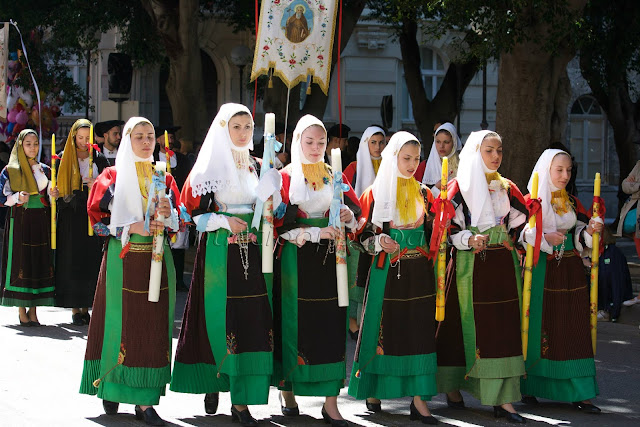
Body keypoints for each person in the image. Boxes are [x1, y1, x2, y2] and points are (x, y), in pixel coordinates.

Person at [170, 104, 277, 426]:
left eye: (249, 127)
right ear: (223, 129)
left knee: (251, 322)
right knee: (219, 318)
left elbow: (274, 211)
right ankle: (214, 379)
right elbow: (190, 215)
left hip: (254, 251)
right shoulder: (208, 169)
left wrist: (273, 201)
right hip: (219, 250)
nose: (244, 133)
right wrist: (223, 221)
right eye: (237, 127)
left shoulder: (259, 166)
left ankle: (241, 400)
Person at [79, 117, 181, 426]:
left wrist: (170, 216)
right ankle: (111, 385)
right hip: (122, 258)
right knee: (120, 323)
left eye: (150, 136)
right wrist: (131, 226)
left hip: (158, 258)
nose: (147, 142)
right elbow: (97, 223)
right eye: (139, 136)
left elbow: (179, 224)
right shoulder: (111, 176)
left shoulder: (165, 177)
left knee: (152, 326)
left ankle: (145, 401)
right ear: (127, 139)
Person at [435, 130, 528, 424]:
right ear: (477, 153)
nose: (496, 156)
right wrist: (468, 238)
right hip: (470, 266)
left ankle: (503, 398)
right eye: (489, 151)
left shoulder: (507, 187)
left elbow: (523, 223)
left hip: (503, 266)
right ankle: (453, 387)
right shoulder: (459, 188)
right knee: (464, 328)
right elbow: (445, 229)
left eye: (499, 150)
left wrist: (519, 239)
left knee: (503, 330)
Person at [274, 115, 361, 426]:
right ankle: (288, 391)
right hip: (296, 260)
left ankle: (331, 401)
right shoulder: (284, 177)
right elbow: (278, 225)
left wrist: (349, 215)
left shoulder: (335, 174)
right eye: (309, 141)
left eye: (321, 142)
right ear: (298, 141)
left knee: (331, 326)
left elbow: (356, 213)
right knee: (295, 324)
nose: (315, 147)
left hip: (332, 260)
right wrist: (313, 233)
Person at [348, 131, 439, 424]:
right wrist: (378, 241)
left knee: (419, 333)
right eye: (406, 158)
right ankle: (375, 389)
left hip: (420, 274)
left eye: (416, 159)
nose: (412, 164)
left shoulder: (426, 194)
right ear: (394, 157)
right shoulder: (376, 193)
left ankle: (419, 399)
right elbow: (359, 237)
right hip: (386, 272)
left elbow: (435, 233)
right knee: (385, 331)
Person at [520, 149, 603, 413]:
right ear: (547, 170)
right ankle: (532, 385)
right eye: (559, 170)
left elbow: (579, 234)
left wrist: (588, 231)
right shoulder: (530, 201)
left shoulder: (573, 202)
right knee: (542, 326)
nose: (565, 175)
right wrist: (544, 238)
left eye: (569, 170)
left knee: (574, 327)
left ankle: (581, 392)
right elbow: (520, 235)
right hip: (542, 270)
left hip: (570, 270)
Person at [49, 119, 109, 325]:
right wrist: (54, 192)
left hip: (91, 214)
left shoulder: (99, 158)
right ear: (74, 137)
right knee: (71, 259)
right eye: (80, 137)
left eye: (87, 138)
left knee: (90, 258)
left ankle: (87, 306)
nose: (83, 142)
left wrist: (97, 183)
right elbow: (56, 186)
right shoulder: (63, 158)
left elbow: (110, 183)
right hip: (70, 216)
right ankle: (75, 307)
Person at [0, 129, 53, 326]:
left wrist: (53, 194)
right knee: (21, 261)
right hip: (20, 220)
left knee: (38, 261)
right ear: (20, 145)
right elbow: (1, 197)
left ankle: (34, 310)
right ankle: (22, 310)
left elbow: (50, 196)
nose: (33, 148)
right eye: (28, 144)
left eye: (36, 144)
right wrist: (16, 197)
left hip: (41, 220)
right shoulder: (10, 170)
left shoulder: (45, 170)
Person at [342, 126, 386, 339]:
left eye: (381, 142)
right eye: (373, 142)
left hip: (380, 228)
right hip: (355, 229)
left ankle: (369, 322)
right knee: (355, 278)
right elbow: (345, 196)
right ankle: (353, 322)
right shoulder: (353, 167)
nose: (378, 147)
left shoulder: (389, 165)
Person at [416, 123, 462, 197]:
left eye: (446, 142)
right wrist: (436, 188)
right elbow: (417, 196)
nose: (441, 146)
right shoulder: (424, 166)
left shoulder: (462, 165)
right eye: (438, 142)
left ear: (454, 143)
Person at [598, 227, 634, 321]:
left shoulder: (613, 253)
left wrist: (614, 311)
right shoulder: (596, 252)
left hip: (611, 301)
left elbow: (617, 283)